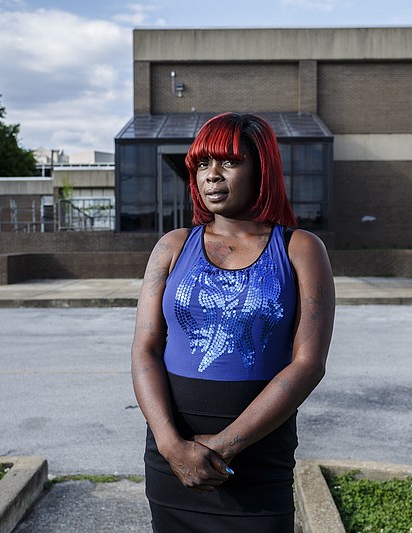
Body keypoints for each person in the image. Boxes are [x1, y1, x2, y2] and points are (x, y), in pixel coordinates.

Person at [131, 112, 335, 532]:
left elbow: (308, 363)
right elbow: (145, 348)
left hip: (256, 456)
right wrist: (171, 445)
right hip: (172, 453)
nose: (212, 176)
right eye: (202, 165)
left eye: (229, 162)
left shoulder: (300, 249)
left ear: (262, 167)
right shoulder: (172, 246)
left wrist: (224, 447)